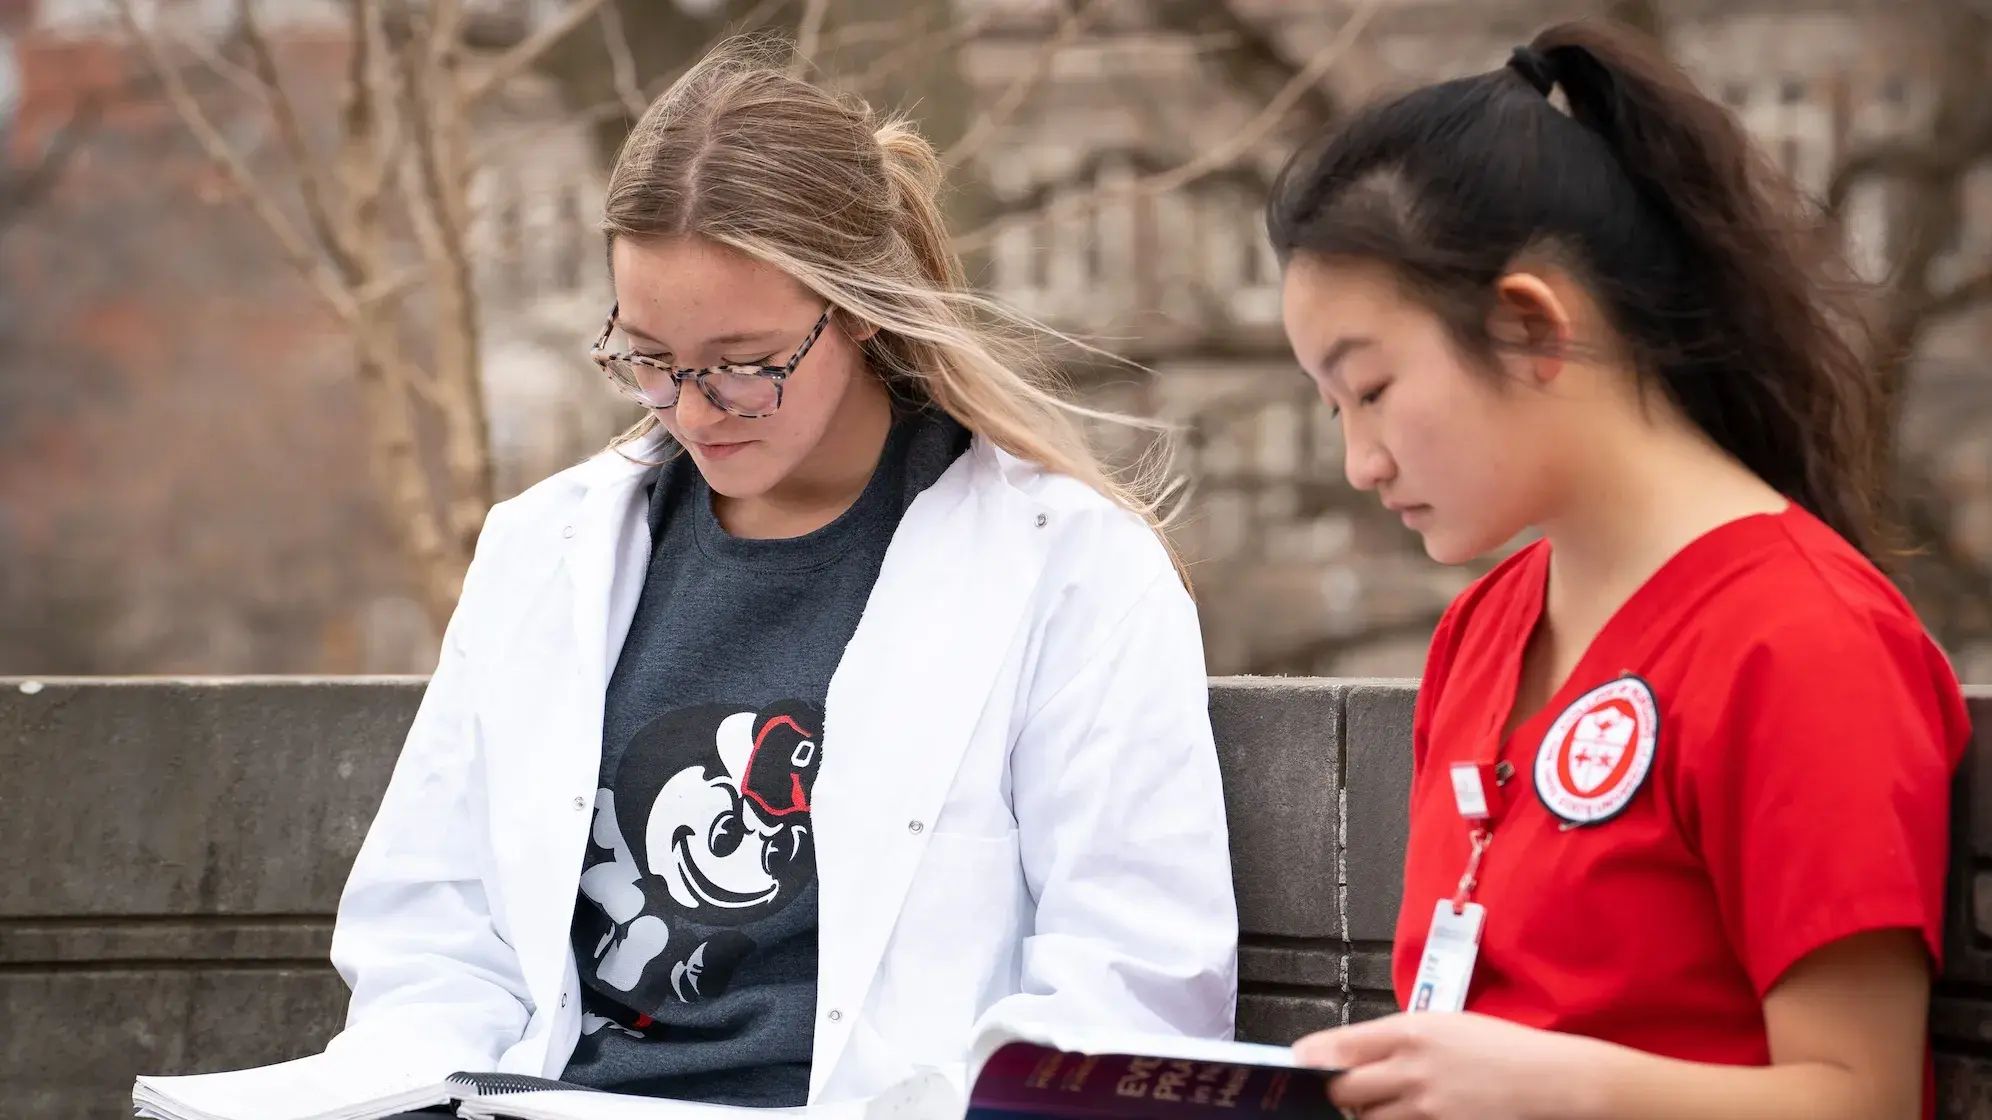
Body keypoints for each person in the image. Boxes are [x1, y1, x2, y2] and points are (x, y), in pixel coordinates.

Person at [327, 40, 1237, 1115]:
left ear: (856, 306)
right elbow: (431, 935)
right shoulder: (543, 550)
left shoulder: (1073, 571)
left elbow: (1129, 992)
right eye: (649, 357)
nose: (695, 407)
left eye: (748, 364)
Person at [1265, 19, 1970, 1120]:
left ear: (1529, 325)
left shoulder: (1802, 639)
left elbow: (1863, 1097)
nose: (1360, 461)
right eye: (1333, 407)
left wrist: (1556, 1088)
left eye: (1373, 389)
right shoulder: (1485, 629)